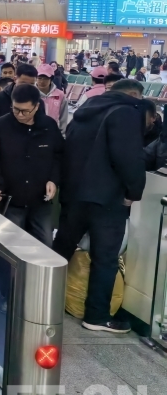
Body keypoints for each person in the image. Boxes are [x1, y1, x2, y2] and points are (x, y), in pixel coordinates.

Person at [53, 79, 147, 333]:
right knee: (105, 259)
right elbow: (128, 156)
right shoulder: (126, 111)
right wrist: (134, 191)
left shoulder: (86, 108)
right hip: (107, 198)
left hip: (74, 193)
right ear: (133, 94)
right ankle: (96, 316)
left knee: (62, 248)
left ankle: (43, 298)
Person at [0, 84, 63, 246]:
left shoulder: (49, 126)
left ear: (36, 106)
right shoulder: (0, 126)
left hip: (41, 199)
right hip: (11, 198)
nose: (19, 115)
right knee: (13, 246)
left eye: (25, 111)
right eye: (16, 109)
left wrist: (53, 180)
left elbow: (59, 155)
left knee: (45, 243)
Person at [0, 64, 46, 129]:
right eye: (23, 83)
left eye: (31, 84)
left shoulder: (38, 102)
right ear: (15, 79)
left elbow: (42, 124)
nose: (26, 87)